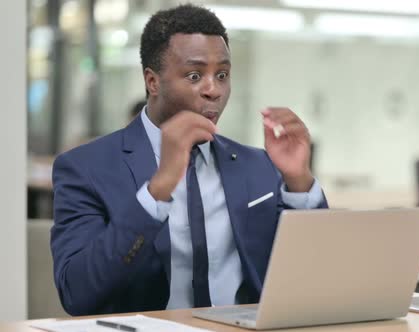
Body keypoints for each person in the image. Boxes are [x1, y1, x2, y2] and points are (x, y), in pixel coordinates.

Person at [51, 4, 328, 316]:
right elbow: (78, 293)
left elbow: (313, 277)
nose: (213, 90)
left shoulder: (257, 164)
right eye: (195, 75)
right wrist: (158, 189)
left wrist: (298, 181)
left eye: (222, 75)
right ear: (152, 82)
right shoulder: (85, 168)